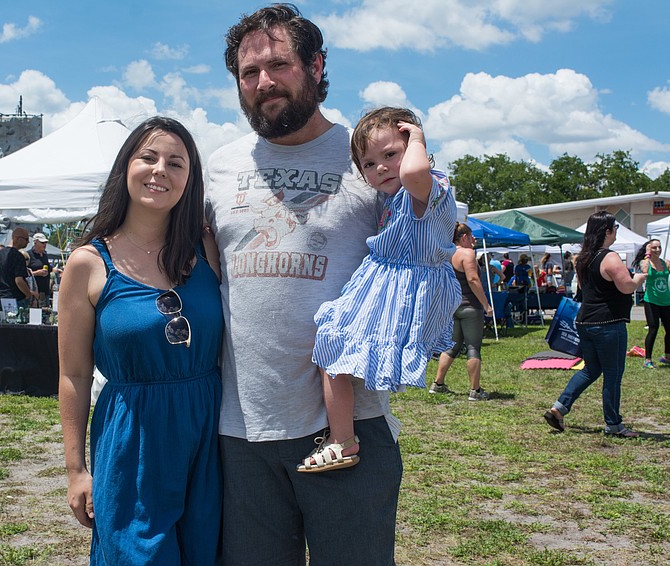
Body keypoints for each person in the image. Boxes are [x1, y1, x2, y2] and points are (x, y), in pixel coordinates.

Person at [205, 5, 402, 564]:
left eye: (279, 65)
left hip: (350, 425)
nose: (264, 82)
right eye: (248, 73)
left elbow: (424, 241)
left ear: (316, 66)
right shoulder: (217, 166)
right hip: (241, 431)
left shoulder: (367, 157)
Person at [58, 117, 223, 564]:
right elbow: (72, 375)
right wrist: (76, 471)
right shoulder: (88, 263)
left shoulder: (206, 249)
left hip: (210, 436)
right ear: (125, 167)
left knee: (205, 553)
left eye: (176, 162)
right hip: (134, 440)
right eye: (147, 157)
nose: (160, 171)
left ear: (190, 179)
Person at [299, 107, 460, 473]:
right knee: (334, 352)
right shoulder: (396, 198)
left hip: (401, 286)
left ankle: (343, 441)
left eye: (391, 154)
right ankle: (344, 438)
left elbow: (415, 171)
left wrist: (417, 138)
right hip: (386, 283)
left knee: (334, 348)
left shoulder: (427, 188)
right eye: (369, 164)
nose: (381, 168)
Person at [543, 212, 647, 438]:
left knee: (591, 368)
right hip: (608, 323)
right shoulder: (609, 257)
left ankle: (559, 408)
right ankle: (614, 424)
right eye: (615, 227)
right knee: (613, 374)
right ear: (607, 231)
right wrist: (641, 276)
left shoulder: (583, 258)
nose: (617, 231)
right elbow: (627, 287)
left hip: (585, 320)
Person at [430, 223, 493, 400]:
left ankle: (438, 384)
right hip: (470, 307)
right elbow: (473, 279)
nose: (474, 240)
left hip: (452, 306)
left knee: (452, 346)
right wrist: (486, 305)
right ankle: (475, 390)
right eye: (471, 236)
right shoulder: (467, 254)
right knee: (473, 347)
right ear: (464, 237)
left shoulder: (447, 254)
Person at [634, 239, 670, 368]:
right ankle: (648, 360)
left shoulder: (665, 263)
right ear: (649, 249)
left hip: (665, 301)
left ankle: (667, 356)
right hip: (652, 301)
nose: (658, 250)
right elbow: (644, 271)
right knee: (653, 328)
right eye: (654, 248)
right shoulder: (645, 262)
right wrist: (648, 255)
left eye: (659, 247)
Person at [0, 227, 37, 310]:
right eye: (26, 239)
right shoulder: (18, 256)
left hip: (1, 298)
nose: (28, 242)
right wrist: (28, 294)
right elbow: (19, 280)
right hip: (16, 299)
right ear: (17, 239)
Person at [27, 232, 54, 307]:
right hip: (34, 292)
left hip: (45, 290)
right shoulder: (28, 255)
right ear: (35, 242)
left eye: (45, 242)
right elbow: (24, 274)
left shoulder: (45, 255)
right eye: (42, 242)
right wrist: (37, 273)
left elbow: (49, 269)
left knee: (46, 313)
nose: (44, 244)